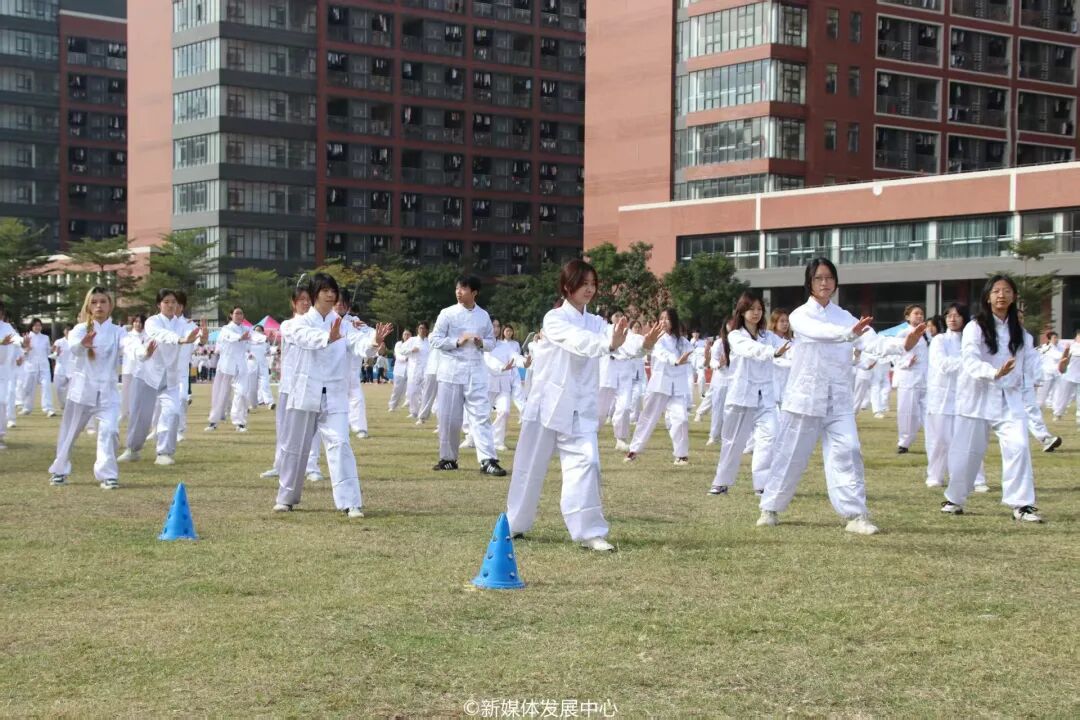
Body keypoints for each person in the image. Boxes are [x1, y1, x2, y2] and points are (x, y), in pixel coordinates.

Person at [757, 257, 925, 535]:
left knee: (849, 451)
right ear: (809, 283)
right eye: (818, 278)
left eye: (829, 278)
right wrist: (848, 334)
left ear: (835, 282)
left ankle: (855, 515)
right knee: (790, 455)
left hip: (838, 399)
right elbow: (820, 333)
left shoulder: (845, 316)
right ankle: (770, 507)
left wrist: (903, 344)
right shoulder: (800, 315)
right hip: (805, 397)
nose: (824, 283)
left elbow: (871, 341)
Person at [506, 259, 662, 551]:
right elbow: (580, 342)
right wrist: (610, 344)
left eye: (593, 284)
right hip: (546, 404)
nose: (590, 289)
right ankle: (514, 524)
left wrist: (643, 344)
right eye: (584, 284)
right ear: (568, 287)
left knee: (587, 463)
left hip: (580, 407)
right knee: (530, 467)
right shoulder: (554, 319)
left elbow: (618, 339)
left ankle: (589, 532)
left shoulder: (596, 322)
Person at [273, 273, 391, 517]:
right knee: (295, 447)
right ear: (314, 294)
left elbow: (358, 343)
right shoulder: (296, 323)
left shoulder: (343, 324)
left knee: (340, 444)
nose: (330, 294)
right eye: (325, 290)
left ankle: (350, 502)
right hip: (304, 392)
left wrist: (373, 342)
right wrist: (327, 337)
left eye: (333, 291)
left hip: (334, 394)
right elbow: (304, 338)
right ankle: (286, 498)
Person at [941, 275, 1043, 523]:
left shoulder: (1021, 333)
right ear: (987, 297)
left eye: (1007, 291)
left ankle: (1022, 504)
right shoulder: (975, 327)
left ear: (1014, 297)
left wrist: (1053, 369)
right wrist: (994, 372)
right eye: (996, 291)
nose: (1001, 295)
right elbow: (970, 360)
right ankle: (955, 498)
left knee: (1019, 446)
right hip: (977, 396)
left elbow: (1033, 363)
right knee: (967, 452)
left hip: (1009, 399)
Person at [710, 292, 790, 495]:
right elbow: (751, 349)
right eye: (751, 309)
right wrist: (773, 352)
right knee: (733, 442)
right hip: (741, 396)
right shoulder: (736, 335)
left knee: (770, 436)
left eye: (759, 309)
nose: (756, 313)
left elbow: (788, 348)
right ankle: (721, 483)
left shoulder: (768, 336)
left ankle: (762, 485)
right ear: (742, 311)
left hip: (765, 397)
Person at [47, 287, 126, 488]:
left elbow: (130, 345)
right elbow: (74, 348)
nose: (99, 306)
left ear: (110, 305)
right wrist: (83, 344)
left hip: (107, 392)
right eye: (94, 302)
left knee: (109, 430)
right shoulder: (80, 329)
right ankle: (59, 470)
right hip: (82, 391)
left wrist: (143, 352)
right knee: (70, 432)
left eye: (103, 301)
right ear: (88, 306)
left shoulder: (118, 332)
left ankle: (108, 475)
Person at [429, 275, 506, 476]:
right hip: (451, 371)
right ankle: (448, 459)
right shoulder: (447, 313)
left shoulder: (483, 315)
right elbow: (435, 339)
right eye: (457, 288)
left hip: (476, 372)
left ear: (474, 293)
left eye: (463, 289)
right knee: (449, 419)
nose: (458, 292)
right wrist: (456, 341)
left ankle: (488, 460)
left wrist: (482, 343)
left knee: (481, 416)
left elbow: (492, 342)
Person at [119, 289, 202, 465]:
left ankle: (164, 452)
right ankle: (133, 449)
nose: (171, 305)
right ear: (159, 304)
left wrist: (201, 339)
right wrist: (181, 340)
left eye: (173, 302)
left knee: (172, 412)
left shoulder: (184, 324)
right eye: (166, 302)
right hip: (147, 375)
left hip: (170, 377)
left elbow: (194, 336)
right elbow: (162, 335)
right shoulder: (152, 321)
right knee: (141, 416)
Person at [260, 285, 321, 481]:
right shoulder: (288, 325)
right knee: (284, 428)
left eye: (308, 299)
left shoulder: (319, 324)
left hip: (310, 385)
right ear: (293, 303)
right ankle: (281, 465)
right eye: (301, 299)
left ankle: (311, 467)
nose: (306, 303)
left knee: (311, 429)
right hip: (289, 385)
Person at [925, 304, 987, 490]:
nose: (952, 319)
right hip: (942, 396)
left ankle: (975, 478)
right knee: (940, 440)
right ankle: (935, 476)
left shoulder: (973, 341)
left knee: (968, 440)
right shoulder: (940, 340)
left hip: (967, 395)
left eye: (957, 315)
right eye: (949, 315)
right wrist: (969, 363)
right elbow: (942, 364)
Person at [625, 308, 693, 465]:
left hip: (677, 386)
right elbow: (662, 354)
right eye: (661, 318)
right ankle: (634, 450)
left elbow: (692, 353)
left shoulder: (682, 341)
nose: (664, 321)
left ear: (674, 321)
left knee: (681, 419)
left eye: (667, 318)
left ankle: (681, 455)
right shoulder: (656, 339)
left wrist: (704, 359)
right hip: (659, 385)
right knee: (648, 418)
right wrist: (676, 361)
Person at [206, 306, 251, 432]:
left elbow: (255, 338)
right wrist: (240, 338)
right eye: (236, 313)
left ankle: (239, 423)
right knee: (221, 394)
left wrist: (262, 339)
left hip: (241, 366)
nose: (239, 316)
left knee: (242, 393)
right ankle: (213, 421)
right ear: (231, 315)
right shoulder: (226, 329)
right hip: (226, 365)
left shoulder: (247, 329)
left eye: (241, 313)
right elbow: (230, 336)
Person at [894, 304, 929, 454]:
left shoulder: (927, 334)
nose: (920, 316)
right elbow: (895, 355)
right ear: (908, 317)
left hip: (925, 378)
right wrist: (907, 362)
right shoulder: (903, 333)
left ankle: (933, 441)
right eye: (916, 313)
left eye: (921, 314)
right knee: (907, 412)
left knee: (929, 412)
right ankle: (904, 443)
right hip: (909, 377)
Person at [487, 324, 525, 452]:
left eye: (497, 326)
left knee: (504, 411)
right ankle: (472, 438)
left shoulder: (505, 346)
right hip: (487, 384)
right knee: (481, 415)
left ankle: (497, 441)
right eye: (493, 326)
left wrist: (524, 362)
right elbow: (488, 361)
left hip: (503, 384)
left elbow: (515, 357)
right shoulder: (482, 345)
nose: (495, 329)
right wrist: (502, 367)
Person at [18, 318, 55, 416]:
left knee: (46, 387)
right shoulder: (26, 337)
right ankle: (27, 408)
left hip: (44, 366)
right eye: (35, 325)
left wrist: (53, 350)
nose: (38, 327)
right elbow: (22, 354)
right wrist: (26, 349)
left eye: (39, 325)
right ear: (31, 326)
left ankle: (48, 409)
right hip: (30, 366)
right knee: (28, 388)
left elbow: (48, 352)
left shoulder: (45, 338)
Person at [119, 315, 147, 422]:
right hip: (128, 368)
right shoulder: (127, 336)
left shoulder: (147, 336)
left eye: (140, 322)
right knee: (126, 393)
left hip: (142, 370)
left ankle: (136, 414)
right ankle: (123, 413)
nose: (138, 324)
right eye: (136, 321)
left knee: (139, 394)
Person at [1051, 330, 1080, 424]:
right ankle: (1058, 414)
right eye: (1078, 336)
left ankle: (1079, 416)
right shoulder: (1071, 347)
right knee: (1063, 397)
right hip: (1069, 375)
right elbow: (1063, 359)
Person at [0, 302, 18, 449]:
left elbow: (16, 339)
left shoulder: (7, 327)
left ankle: (0, 436)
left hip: (3, 371)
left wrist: (24, 343)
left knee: (1, 402)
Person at [405, 322, 431, 419]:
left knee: (426, 393)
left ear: (427, 330)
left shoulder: (430, 342)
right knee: (412, 392)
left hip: (427, 370)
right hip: (414, 370)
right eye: (420, 328)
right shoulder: (412, 340)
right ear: (417, 329)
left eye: (424, 328)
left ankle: (423, 413)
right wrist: (411, 350)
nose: (422, 330)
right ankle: (414, 412)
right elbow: (402, 350)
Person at [1036, 331, 1063, 408]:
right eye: (1054, 338)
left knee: (1057, 391)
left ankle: (1054, 407)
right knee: (1042, 392)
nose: (1056, 339)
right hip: (1046, 373)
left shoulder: (1060, 347)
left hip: (1056, 373)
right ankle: (1038, 406)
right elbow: (1057, 356)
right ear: (1049, 339)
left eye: (1057, 337)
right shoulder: (1045, 347)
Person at [249, 324, 274, 408]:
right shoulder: (250, 339)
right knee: (252, 385)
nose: (257, 332)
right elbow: (245, 349)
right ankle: (253, 403)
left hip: (263, 364)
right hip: (252, 363)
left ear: (263, 332)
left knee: (265, 383)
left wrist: (273, 351)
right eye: (256, 330)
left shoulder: (266, 341)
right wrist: (248, 355)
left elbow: (268, 351)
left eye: (259, 330)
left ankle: (269, 402)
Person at [52, 326, 73, 411]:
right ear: (64, 331)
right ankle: (63, 404)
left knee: (71, 389)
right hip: (60, 368)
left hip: (72, 368)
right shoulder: (59, 341)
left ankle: (70, 406)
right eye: (67, 330)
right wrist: (56, 353)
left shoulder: (75, 341)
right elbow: (53, 353)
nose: (68, 331)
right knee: (58, 388)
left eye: (70, 330)